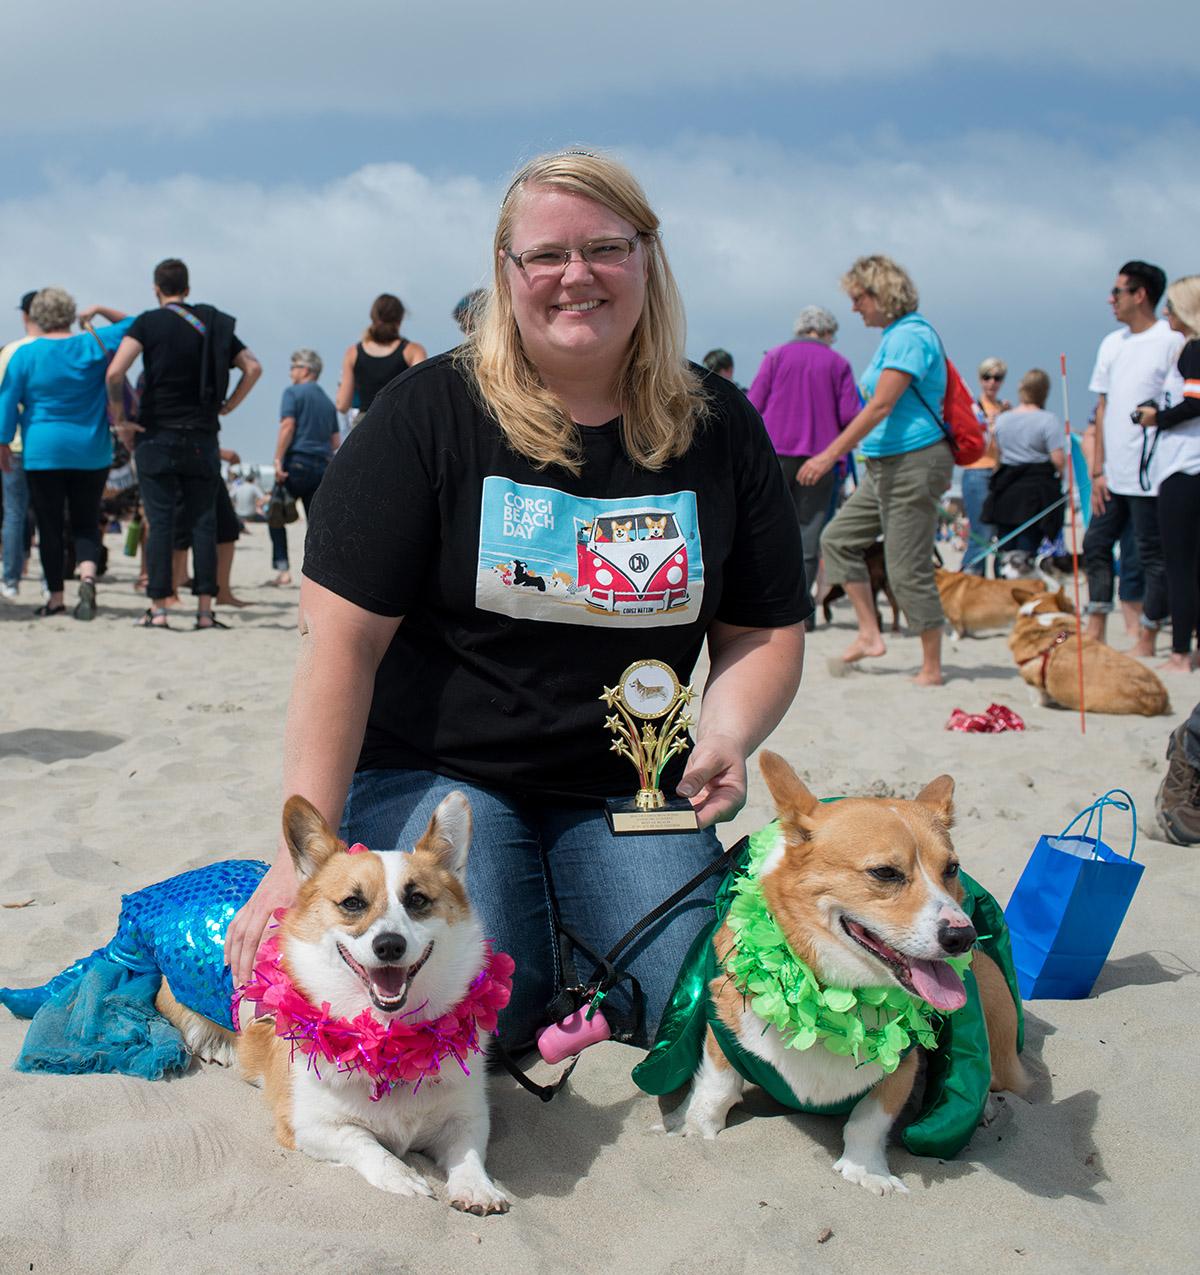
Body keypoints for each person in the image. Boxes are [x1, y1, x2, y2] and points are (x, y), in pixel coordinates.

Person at [224, 150, 809, 1054]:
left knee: (689, 1001)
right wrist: (298, 861)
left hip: (628, 780)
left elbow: (763, 626)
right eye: (546, 255)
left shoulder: (720, 425)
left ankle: (577, 926)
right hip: (440, 770)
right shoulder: (428, 415)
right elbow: (340, 646)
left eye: (606, 247)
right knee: (480, 1010)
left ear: (647, 260)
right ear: (506, 273)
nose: (576, 274)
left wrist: (727, 733)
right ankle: (545, 939)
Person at [800, 255, 954, 686]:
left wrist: (829, 455)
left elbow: (882, 404)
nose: (854, 308)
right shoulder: (894, 336)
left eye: (858, 298)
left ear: (880, 293)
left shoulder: (911, 336)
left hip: (915, 460)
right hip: (886, 465)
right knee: (838, 539)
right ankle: (870, 635)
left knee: (907, 568)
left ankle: (932, 668)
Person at [106, 259, 261, 630]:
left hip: (156, 435)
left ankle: (159, 609)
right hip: (202, 436)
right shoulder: (214, 322)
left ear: (156, 288)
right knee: (203, 522)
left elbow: (115, 372)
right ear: (187, 289)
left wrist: (122, 420)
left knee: (160, 524)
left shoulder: (148, 322)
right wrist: (228, 405)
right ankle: (205, 611)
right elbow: (252, 367)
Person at [0, 288, 132, 619]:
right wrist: (100, 308)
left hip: (44, 449)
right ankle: (88, 576)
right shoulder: (92, 343)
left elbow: (7, 406)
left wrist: (3, 443)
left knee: (50, 524)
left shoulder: (25, 355)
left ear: (35, 316)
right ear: (70, 313)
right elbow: (135, 324)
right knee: (86, 521)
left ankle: (56, 596)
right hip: (91, 448)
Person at [1082, 260, 1183, 657]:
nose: (1111, 299)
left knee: (1149, 556)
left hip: (1154, 472)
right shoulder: (1112, 343)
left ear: (1140, 295)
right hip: (1113, 472)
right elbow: (1103, 407)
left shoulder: (1169, 339)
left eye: (1118, 292)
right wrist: (1097, 469)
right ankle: (1097, 627)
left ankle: (1147, 635)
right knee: (1096, 545)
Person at [747, 305, 861, 618]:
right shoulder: (838, 363)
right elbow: (851, 417)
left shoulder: (775, 356)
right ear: (826, 332)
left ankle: (766, 604)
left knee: (767, 530)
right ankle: (802, 612)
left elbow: (752, 405)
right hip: (820, 459)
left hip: (774, 454)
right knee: (808, 536)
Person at [1134, 275, 1200, 672]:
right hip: (1190, 465)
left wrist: (1156, 417)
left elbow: (1195, 403)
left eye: (1172, 307)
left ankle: (1179, 652)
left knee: (1180, 564)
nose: (1165, 313)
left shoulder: (1192, 349)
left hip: (1185, 467)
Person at [983, 369, 1065, 577]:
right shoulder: (1048, 420)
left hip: (1006, 488)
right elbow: (1058, 460)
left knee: (1004, 548)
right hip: (1035, 490)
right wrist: (1063, 476)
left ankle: (1002, 585)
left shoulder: (1003, 420)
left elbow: (997, 455)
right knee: (1027, 546)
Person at [269, 349, 340, 585]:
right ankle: (317, 574)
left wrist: (278, 459)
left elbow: (287, 425)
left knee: (276, 515)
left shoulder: (293, 393)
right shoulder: (328, 403)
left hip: (296, 462)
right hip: (321, 466)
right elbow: (335, 442)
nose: (291, 372)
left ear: (306, 370)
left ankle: (283, 570)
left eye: (294, 367)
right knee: (315, 523)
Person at [0, 291, 41, 600]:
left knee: (14, 513)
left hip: (12, 443)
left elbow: (5, 403)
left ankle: (11, 578)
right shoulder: (61, 349)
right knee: (47, 514)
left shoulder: (10, 351)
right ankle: (48, 580)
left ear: (25, 315)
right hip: (46, 445)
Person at [334, 294, 427, 424]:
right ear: (400, 319)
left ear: (372, 317)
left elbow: (342, 405)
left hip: (364, 425)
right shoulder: (413, 350)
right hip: (399, 423)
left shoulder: (353, 352)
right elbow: (421, 394)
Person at [961, 357, 1011, 576]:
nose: (992, 383)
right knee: (981, 534)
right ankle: (971, 580)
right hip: (977, 470)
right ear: (980, 379)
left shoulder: (1006, 408)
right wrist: (988, 425)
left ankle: (1000, 585)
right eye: (987, 377)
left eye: (997, 378)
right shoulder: (972, 407)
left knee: (1003, 534)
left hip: (1001, 471)